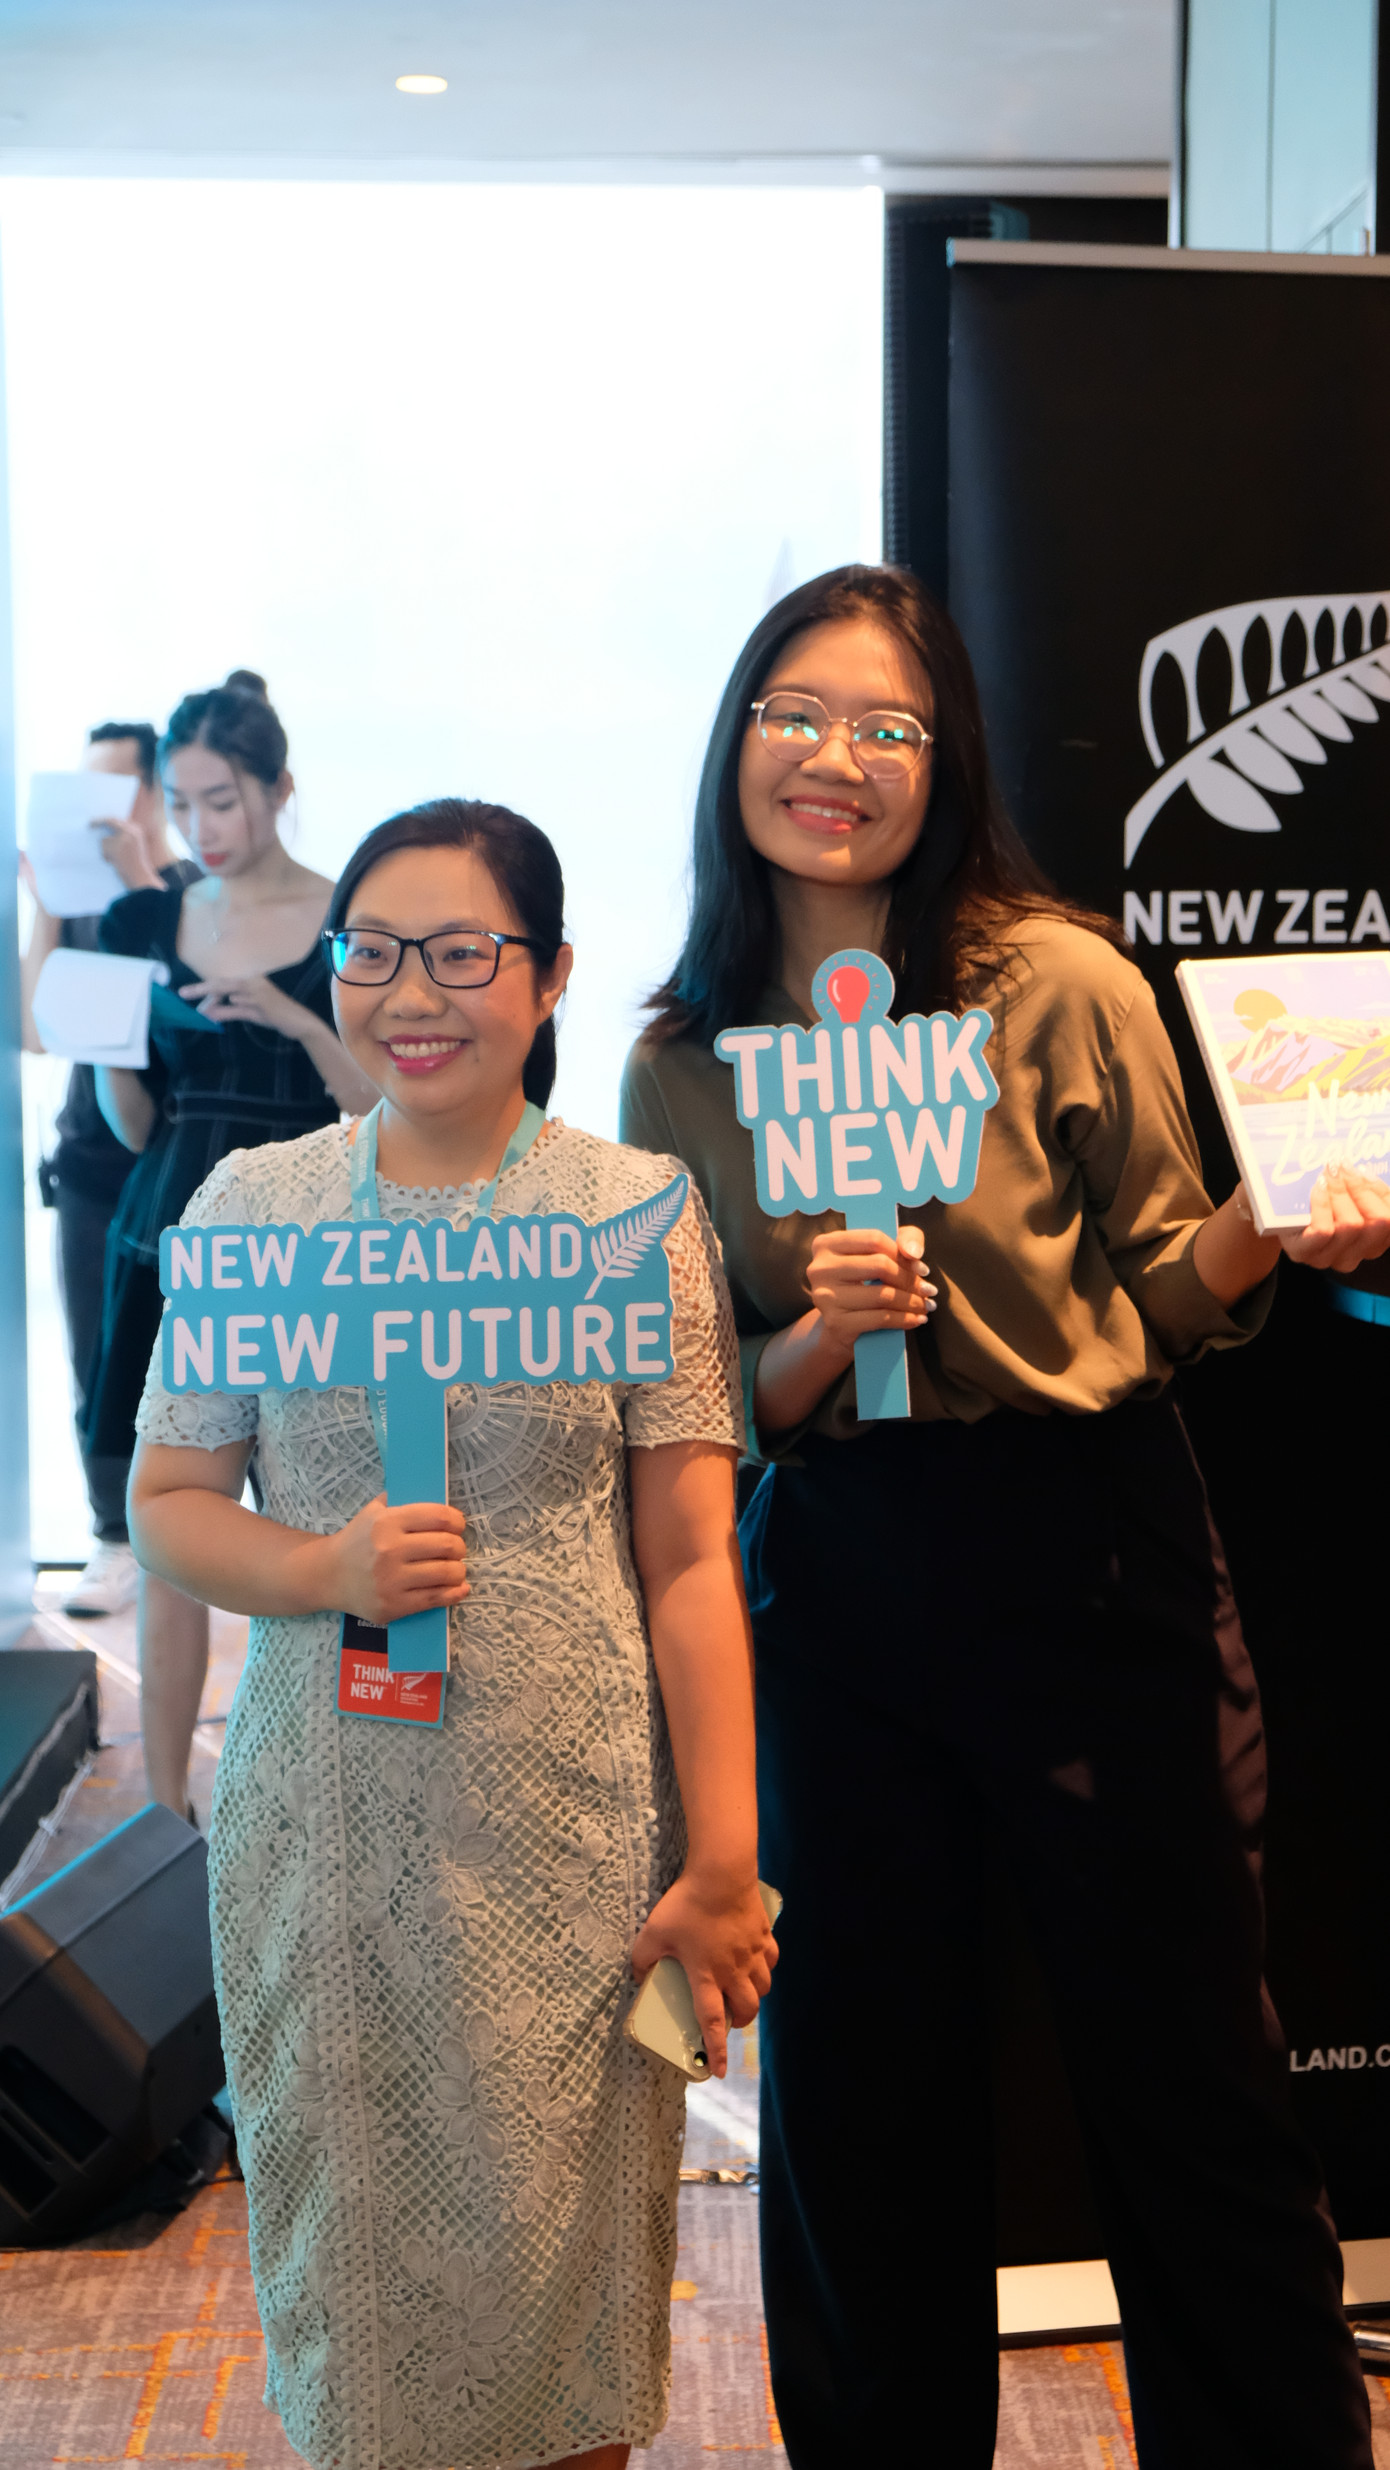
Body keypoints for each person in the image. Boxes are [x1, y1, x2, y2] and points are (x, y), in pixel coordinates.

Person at [619, 564, 1390, 2470]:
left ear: (944, 757)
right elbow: (700, 1401)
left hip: (1092, 1557)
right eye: (798, 714)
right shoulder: (682, 1057)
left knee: (1190, 2089)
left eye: (888, 726)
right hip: (841, 1585)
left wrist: (1274, 1223)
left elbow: (1168, 1293)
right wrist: (816, 1334)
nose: (837, 759)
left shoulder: (1059, 980)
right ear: (737, 743)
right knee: (861, 2111)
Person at [127, 795, 776, 2470]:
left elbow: (690, 1561)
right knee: (355, 2282)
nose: (411, 993)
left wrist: (725, 1861)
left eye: (464, 953)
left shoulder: (635, 1215)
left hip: (572, 1825)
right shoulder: (254, 1210)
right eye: (373, 951)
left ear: (548, 975)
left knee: (566, 2280)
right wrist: (322, 1565)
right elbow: (172, 1500)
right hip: (326, 1822)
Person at [86, 671, 376, 1815]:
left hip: (306, 1245)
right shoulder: (142, 923)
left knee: (320, 1519)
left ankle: (319, 1797)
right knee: (172, 1530)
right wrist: (108, 1036)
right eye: (182, 804)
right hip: (166, 1238)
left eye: (223, 801)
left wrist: (294, 1016)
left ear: (279, 786)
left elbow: (378, 1107)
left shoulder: (352, 916)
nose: (202, 829)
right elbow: (133, 1124)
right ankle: (165, 1813)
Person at [20, 719, 199, 1614]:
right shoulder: (76, 907)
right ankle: (111, 1537)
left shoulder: (195, 893)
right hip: (91, 1165)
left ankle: (203, 1536)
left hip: (181, 1162)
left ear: (150, 796)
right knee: (96, 1359)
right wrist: (49, 900)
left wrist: (136, 881)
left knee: (192, 1365)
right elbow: (31, 1028)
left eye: (111, 790)